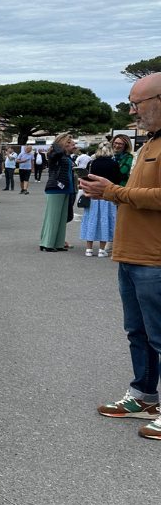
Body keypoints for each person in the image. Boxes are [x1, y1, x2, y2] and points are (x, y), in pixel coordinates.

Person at [81, 72, 161, 436]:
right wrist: (110, 191)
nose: (132, 112)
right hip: (132, 255)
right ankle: (144, 396)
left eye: (136, 103)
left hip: (155, 258)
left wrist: (114, 192)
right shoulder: (148, 143)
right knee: (137, 332)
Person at [80, 142, 121, 257]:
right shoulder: (114, 163)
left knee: (91, 220)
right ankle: (101, 250)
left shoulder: (92, 163)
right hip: (107, 196)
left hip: (93, 196)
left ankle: (89, 249)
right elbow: (117, 179)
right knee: (105, 221)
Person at [40, 135, 77, 251]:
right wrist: (60, 144)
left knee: (61, 218)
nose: (73, 145)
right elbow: (58, 153)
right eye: (70, 143)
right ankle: (47, 243)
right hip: (56, 187)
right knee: (53, 217)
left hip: (66, 187)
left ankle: (58, 243)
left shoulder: (65, 156)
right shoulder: (54, 154)